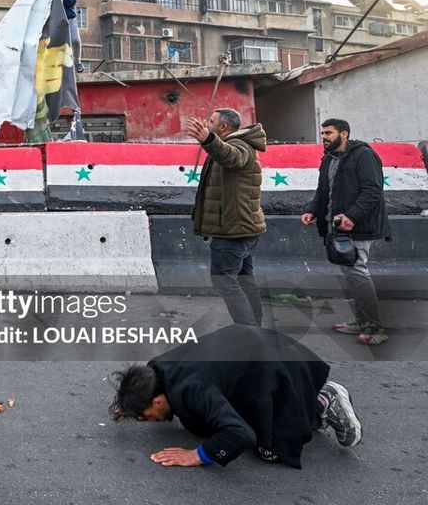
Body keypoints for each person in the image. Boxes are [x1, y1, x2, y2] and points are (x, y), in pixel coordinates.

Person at [109, 324, 362, 469]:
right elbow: (138, 384)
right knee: (212, 419)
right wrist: (130, 403)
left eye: (144, 416)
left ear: (157, 401)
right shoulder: (157, 370)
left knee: (270, 450)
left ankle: (322, 401)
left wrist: (198, 455)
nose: (147, 421)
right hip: (256, 348)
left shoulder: (192, 390)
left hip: (280, 365)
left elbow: (241, 435)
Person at [301, 118, 391, 345]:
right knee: (351, 274)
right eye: (322, 133)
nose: (324, 137)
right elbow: (323, 191)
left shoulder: (363, 155)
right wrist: (312, 210)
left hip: (359, 226)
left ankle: (374, 328)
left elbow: (373, 190)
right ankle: (362, 320)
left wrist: (352, 216)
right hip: (337, 227)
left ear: (344, 134)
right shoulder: (329, 159)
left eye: (329, 133)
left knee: (357, 271)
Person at [184, 108, 267, 325]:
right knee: (244, 280)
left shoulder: (240, 146)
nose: (206, 124)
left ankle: (248, 331)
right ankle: (254, 329)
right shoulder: (236, 143)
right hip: (241, 228)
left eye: (211, 122)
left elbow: (231, 157)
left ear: (223, 127)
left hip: (233, 231)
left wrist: (208, 140)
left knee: (224, 281)